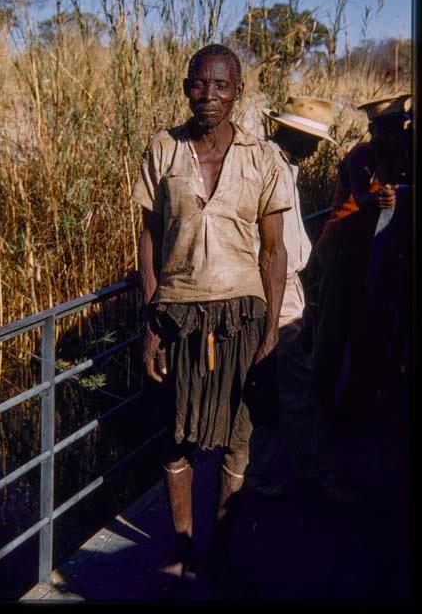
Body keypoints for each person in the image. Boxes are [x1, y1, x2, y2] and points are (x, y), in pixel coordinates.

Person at [131, 44, 292, 594]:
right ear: (185, 88)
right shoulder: (162, 150)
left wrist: (271, 335)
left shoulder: (263, 158)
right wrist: (151, 320)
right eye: (200, 85)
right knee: (175, 438)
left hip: (242, 316)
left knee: (237, 441)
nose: (210, 97)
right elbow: (149, 239)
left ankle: (221, 552)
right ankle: (181, 551)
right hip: (177, 315)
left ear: (238, 91)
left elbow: (274, 253)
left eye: (222, 86)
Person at [245, 96, 358, 501]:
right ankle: (316, 471)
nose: (313, 152)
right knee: (295, 385)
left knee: (274, 385)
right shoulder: (272, 164)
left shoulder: (278, 163)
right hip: (277, 284)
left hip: (283, 282)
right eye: (311, 141)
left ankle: (255, 472)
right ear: (296, 135)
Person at [312, 93, 412, 426]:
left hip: (374, 254)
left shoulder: (400, 156)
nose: (393, 134)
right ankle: (320, 410)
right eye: (387, 128)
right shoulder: (361, 156)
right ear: (373, 129)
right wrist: (379, 198)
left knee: (367, 329)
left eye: (399, 126)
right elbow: (362, 194)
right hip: (343, 250)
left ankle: (354, 406)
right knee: (333, 329)